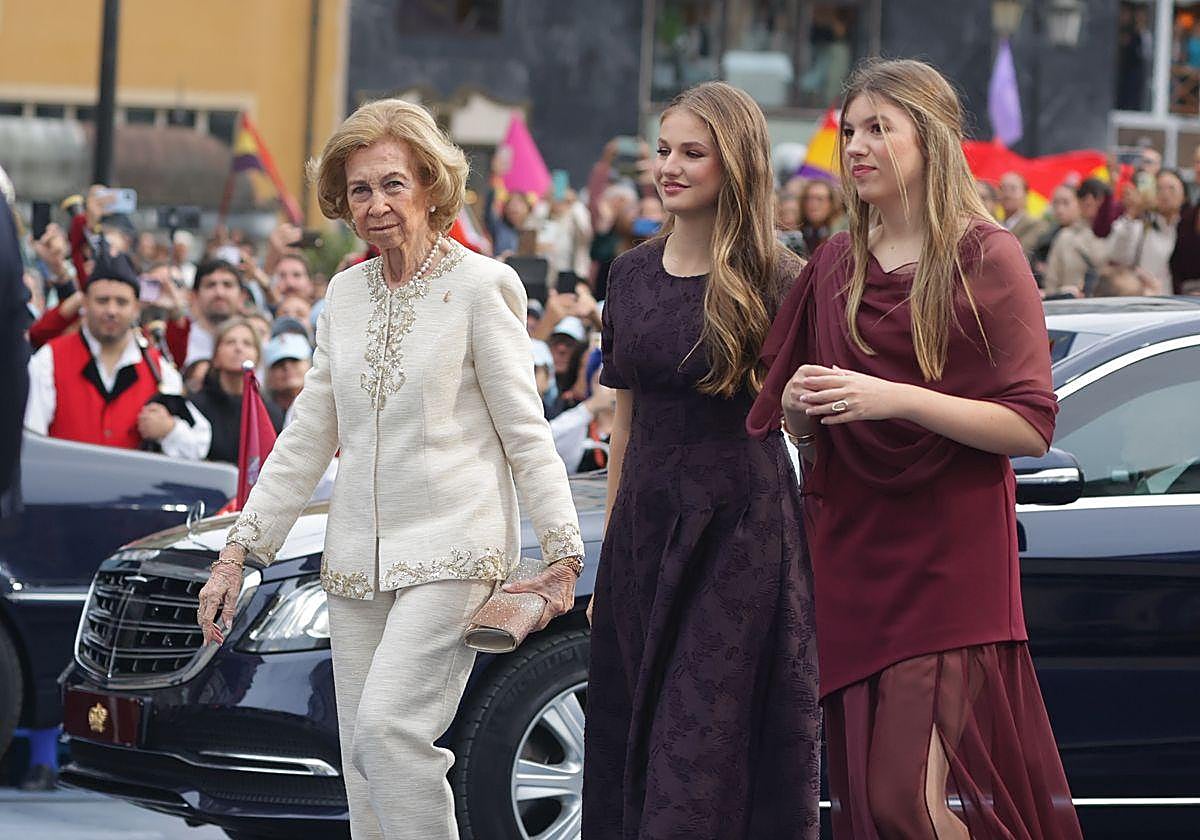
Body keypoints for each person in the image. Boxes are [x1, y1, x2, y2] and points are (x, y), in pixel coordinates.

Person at [196, 98, 585, 840]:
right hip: (356, 564)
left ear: (432, 186)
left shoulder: (482, 286)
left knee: (389, 734)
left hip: (453, 551)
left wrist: (563, 554)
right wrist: (239, 551)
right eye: (359, 190)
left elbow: (525, 432)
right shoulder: (342, 296)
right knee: (361, 763)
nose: (375, 205)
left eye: (393, 184)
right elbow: (307, 435)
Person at [749, 58, 1082, 840]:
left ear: (928, 142)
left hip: (949, 561)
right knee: (868, 803)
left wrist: (894, 398)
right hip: (853, 552)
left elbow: (1031, 425)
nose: (857, 146)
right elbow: (803, 428)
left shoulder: (986, 257)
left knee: (903, 802)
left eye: (878, 130)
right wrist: (800, 409)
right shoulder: (834, 264)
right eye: (851, 130)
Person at [584, 81, 820, 840]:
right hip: (646, 526)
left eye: (693, 152)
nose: (670, 167)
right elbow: (623, 420)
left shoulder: (780, 276)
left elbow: (804, 420)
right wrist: (610, 556)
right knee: (639, 738)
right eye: (663, 150)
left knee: (703, 746)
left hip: (742, 531)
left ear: (735, 163)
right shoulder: (628, 275)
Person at [24, 247, 210, 458]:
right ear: (84, 303)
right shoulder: (50, 359)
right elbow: (31, 439)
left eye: (122, 302)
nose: (112, 310)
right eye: (102, 301)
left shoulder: (158, 369)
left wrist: (170, 430)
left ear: (136, 308)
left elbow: (199, 443)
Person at [187, 318, 284, 464]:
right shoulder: (194, 406)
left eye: (247, 343)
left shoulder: (270, 413)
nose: (238, 348)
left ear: (257, 358)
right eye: (230, 342)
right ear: (215, 356)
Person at [1108, 168, 1187, 295]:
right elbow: (1118, 255)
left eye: (1171, 188)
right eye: (1159, 188)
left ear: (1184, 195)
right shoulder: (1141, 225)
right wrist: (1132, 214)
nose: (1165, 194)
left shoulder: (1188, 228)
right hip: (1145, 298)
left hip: (1180, 302)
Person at [1043, 179, 1108, 297]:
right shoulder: (1064, 237)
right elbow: (1051, 281)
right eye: (1055, 203)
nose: (1059, 209)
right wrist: (1061, 293)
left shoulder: (1114, 230)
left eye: (1065, 203)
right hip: (1071, 306)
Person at [998, 172, 1051, 260]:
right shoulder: (994, 223)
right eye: (1002, 189)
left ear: (1025, 194)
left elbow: (1023, 254)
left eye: (1013, 189)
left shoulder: (1037, 225)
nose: (1007, 194)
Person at [263, 331, 313, 420]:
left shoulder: (325, 407)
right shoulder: (262, 414)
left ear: (309, 364)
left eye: (294, 360)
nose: (287, 367)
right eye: (279, 363)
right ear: (269, 374)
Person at [798, 177, 845, 254]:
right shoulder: (797, 234)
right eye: (808, 198)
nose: (813, 204)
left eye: (819, 199)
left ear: (831, 203)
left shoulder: (843, 235)